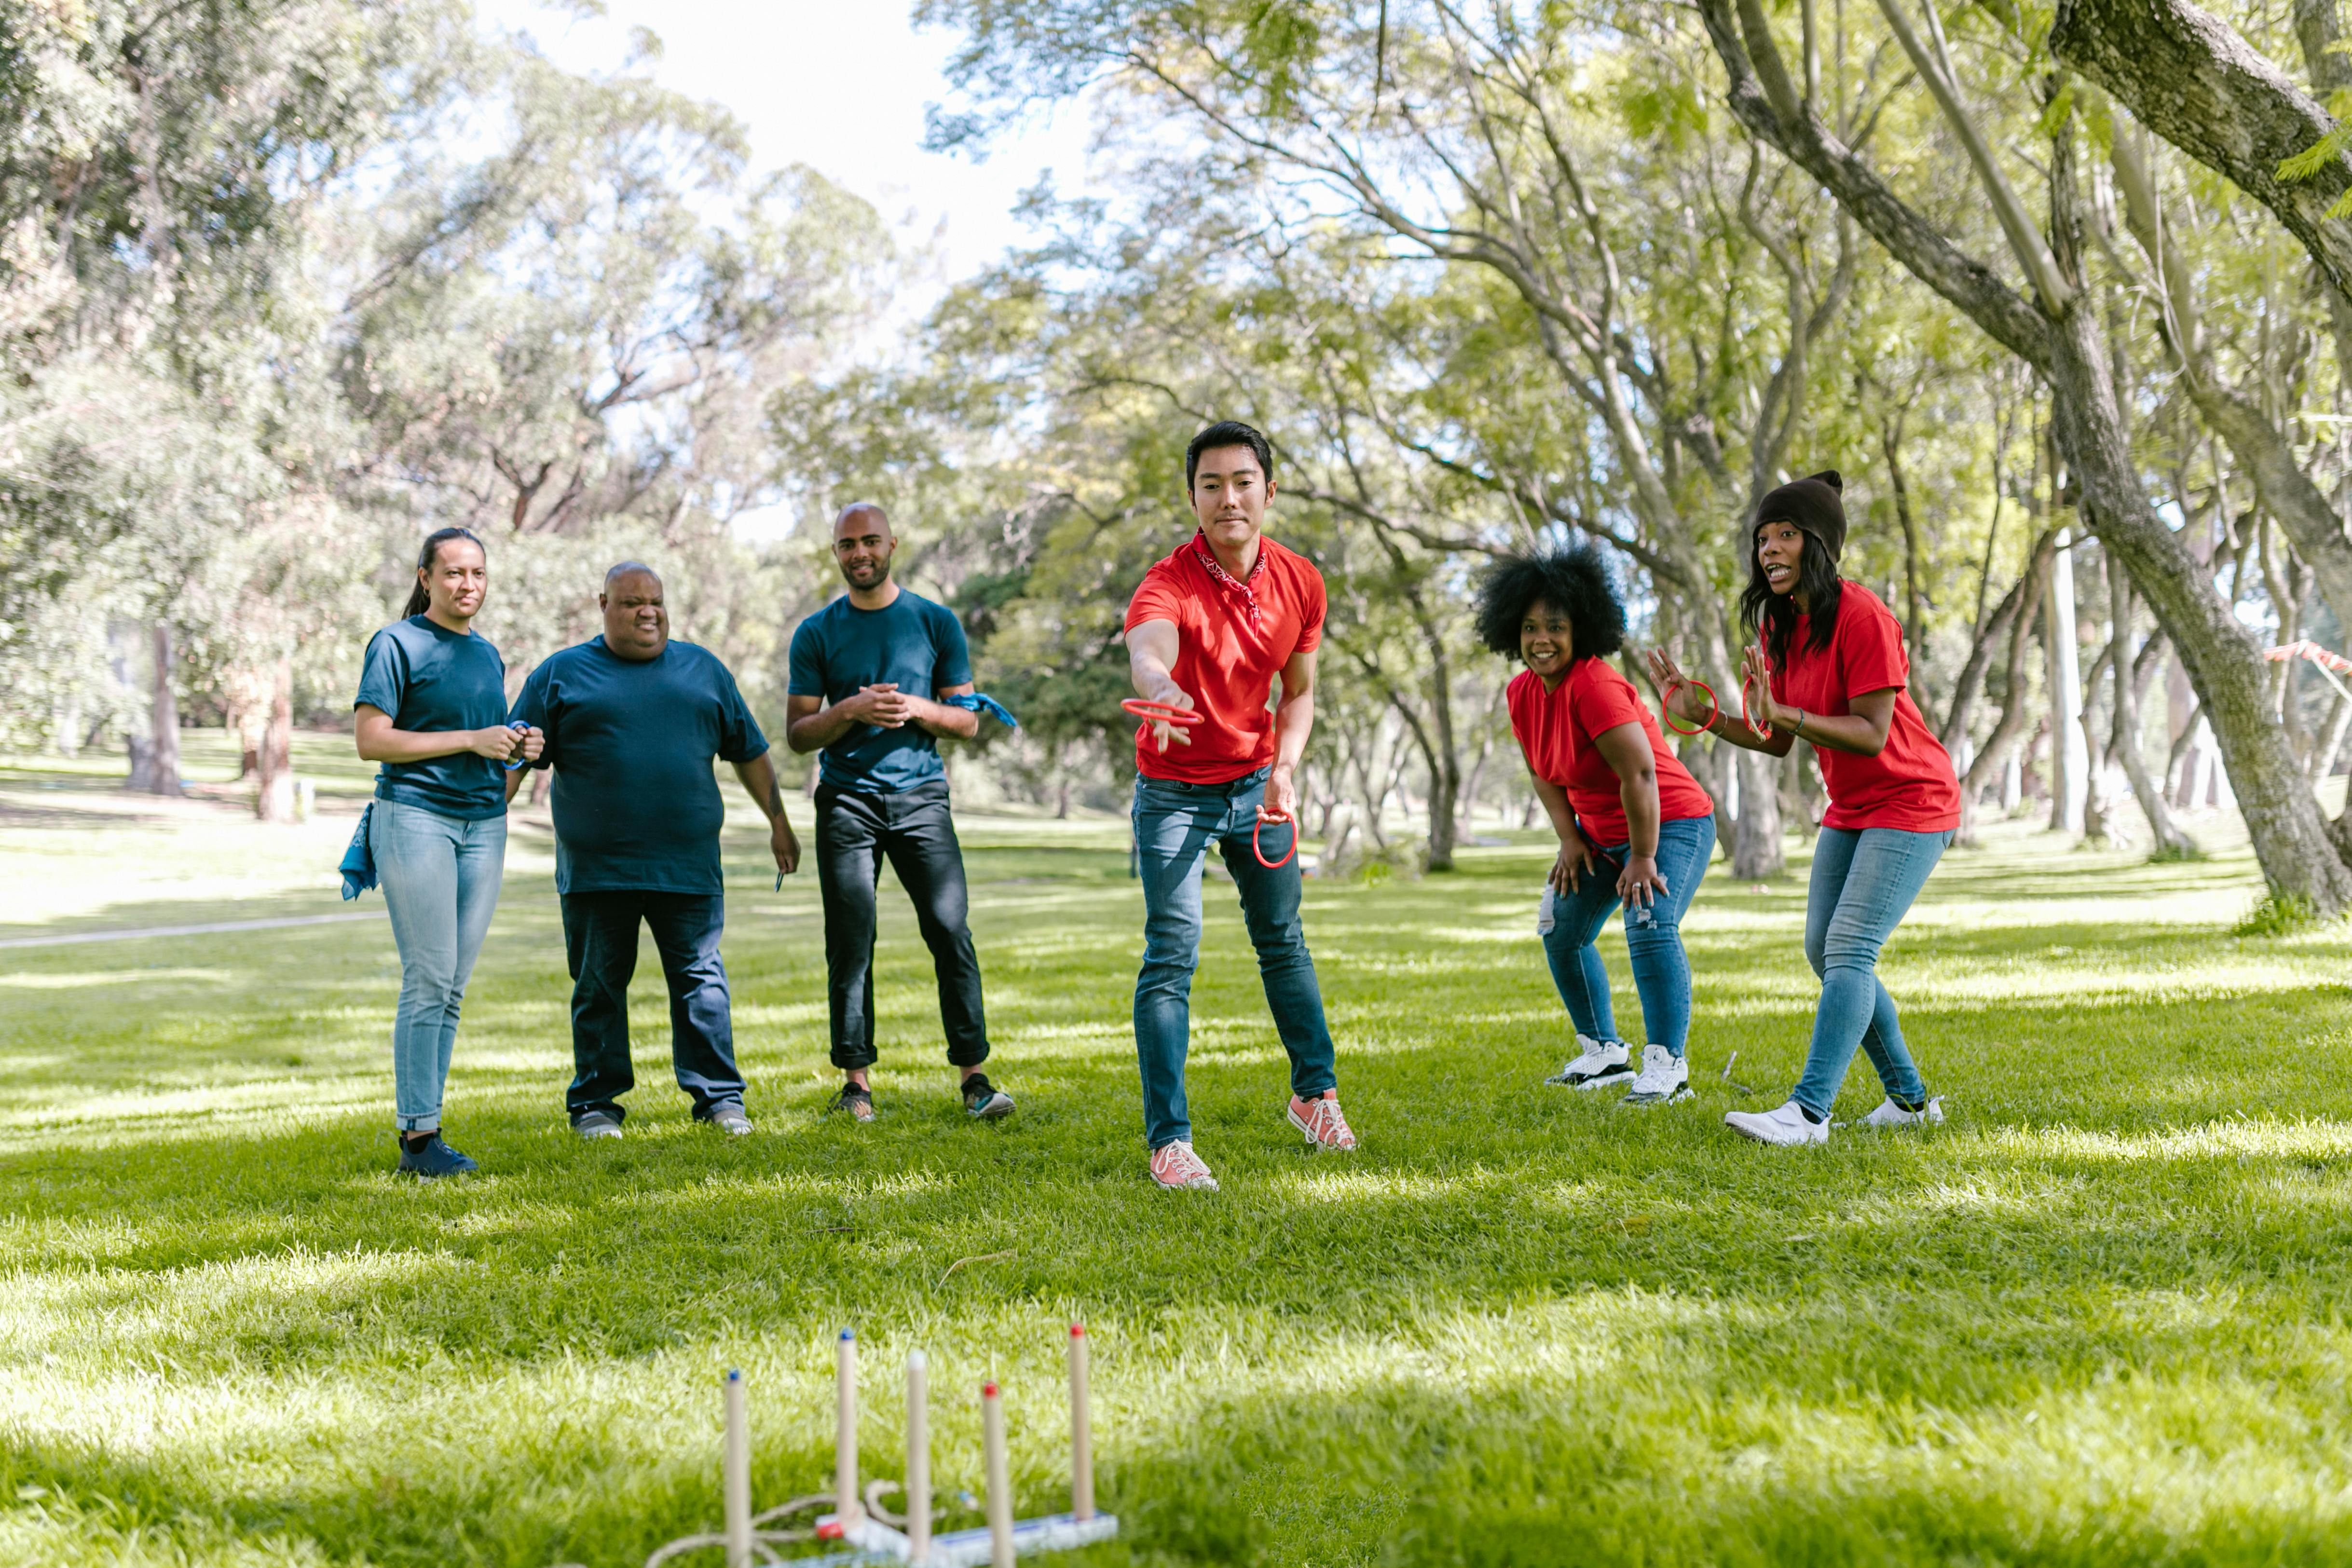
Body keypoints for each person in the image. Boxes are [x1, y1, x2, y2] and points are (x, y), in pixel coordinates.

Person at [1650, 470, 1961, 1145]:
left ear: (1818, 542)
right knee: (1827, 950)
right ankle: (1909, 1102)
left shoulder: (1864, 615)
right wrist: (1707, 714)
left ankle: (1809, 1112)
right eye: (1762, 537)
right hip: (1852, 806)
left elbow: (1872, 731)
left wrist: (1782, 709)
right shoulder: (1781, 625)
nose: (1769, 549)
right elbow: (1778, 738)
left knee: (1850, 947)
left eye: (1785, 533)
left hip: (1913, 797)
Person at [1124, 421, 1354, 1192]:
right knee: (1172, 955)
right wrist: (1160, 687)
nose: (1229, 498)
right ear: (1193, 496)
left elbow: (1301, 691)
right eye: (1211, 484)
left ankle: (1314, 1097)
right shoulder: (1168, 582)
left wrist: (1286, 768)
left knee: (1284, 940)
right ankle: (1170, 1142)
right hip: (1175, 793)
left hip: (1259, 783)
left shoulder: (1301, 580)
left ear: (1268, 490)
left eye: (1243, 481)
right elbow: (1149, 646)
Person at [509, 561, 799, 1139]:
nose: (649, 611)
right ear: (603, 604)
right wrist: (482, 810)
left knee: (701, 981)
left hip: (688, 865)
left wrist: (779, 822)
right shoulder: (560, 675)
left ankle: (720, 1100)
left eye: (657, 601)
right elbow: (516, 758)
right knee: (598, 986)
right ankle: (595, 1104)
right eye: (632, 601)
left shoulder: (704, 670)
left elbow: (748, 749)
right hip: (598, 869)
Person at [786, 502, 1012, 1124]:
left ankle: (975, 1078)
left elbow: (966, 720)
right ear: (836, 552)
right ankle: (856, 1084)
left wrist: (913, 706)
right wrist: (852, 709)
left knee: (948, 928)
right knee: (852, 937)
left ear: (892, 544)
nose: (860, 553)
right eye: (847, 544)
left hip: (920, 800)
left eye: (870, 541)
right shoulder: (816, 632)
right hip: (846, 802)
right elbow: (799, 734)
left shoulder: (934, 622)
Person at [1474, 545, 1717, 1106]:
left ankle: (1667, 1066)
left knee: (1649, 916)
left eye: (1556, 627)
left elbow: (1638, 776)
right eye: (1531, 627)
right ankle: (1604, 1053)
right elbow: (1543, 773)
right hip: (1600, 834)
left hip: (1671, 822)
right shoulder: (1521, 693)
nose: (1542, 639)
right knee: (1560, 927)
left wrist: (1641, 856)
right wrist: (1569, 838)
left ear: (1580, 628)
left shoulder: (1595, 685)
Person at [354, 527, 543, 1178]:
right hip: (415, 819)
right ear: (426, 577)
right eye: (455, 572)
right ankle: (418, 1139)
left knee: (453, 984)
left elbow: (482, 741)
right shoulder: (396, 643)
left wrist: (517, 745)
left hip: (483, 824)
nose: (468, 584)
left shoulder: (487, 654)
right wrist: (470, 737)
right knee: (429, 975)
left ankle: (428, 1129)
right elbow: (372, 739)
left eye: (479, 574)